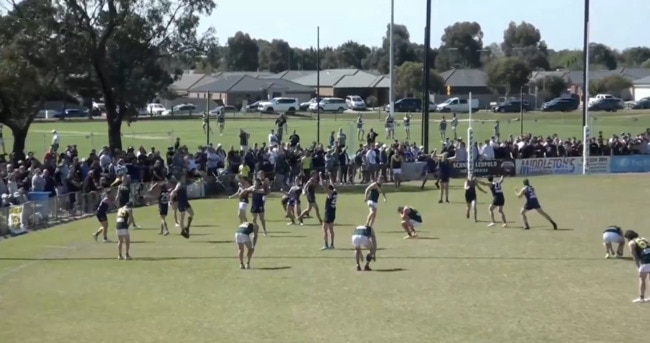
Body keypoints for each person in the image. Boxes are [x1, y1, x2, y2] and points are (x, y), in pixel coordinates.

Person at [623, 230, 650, 303]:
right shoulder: (644, 239)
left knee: (642, 279)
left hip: (645, 262)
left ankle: (641, 298)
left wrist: (638, 266)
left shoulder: (631, 243)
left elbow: (635, 256)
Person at [321, 182, 338, 250]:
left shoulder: (330, 194)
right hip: (333, 212)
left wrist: (320, 177)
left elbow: (324, 187)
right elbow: (332, 185)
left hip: (328, 213)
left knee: (324, 229)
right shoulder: (335, 193)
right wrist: (330, 177)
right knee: (331, 230)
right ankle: (332, 244)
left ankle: (326, 245)